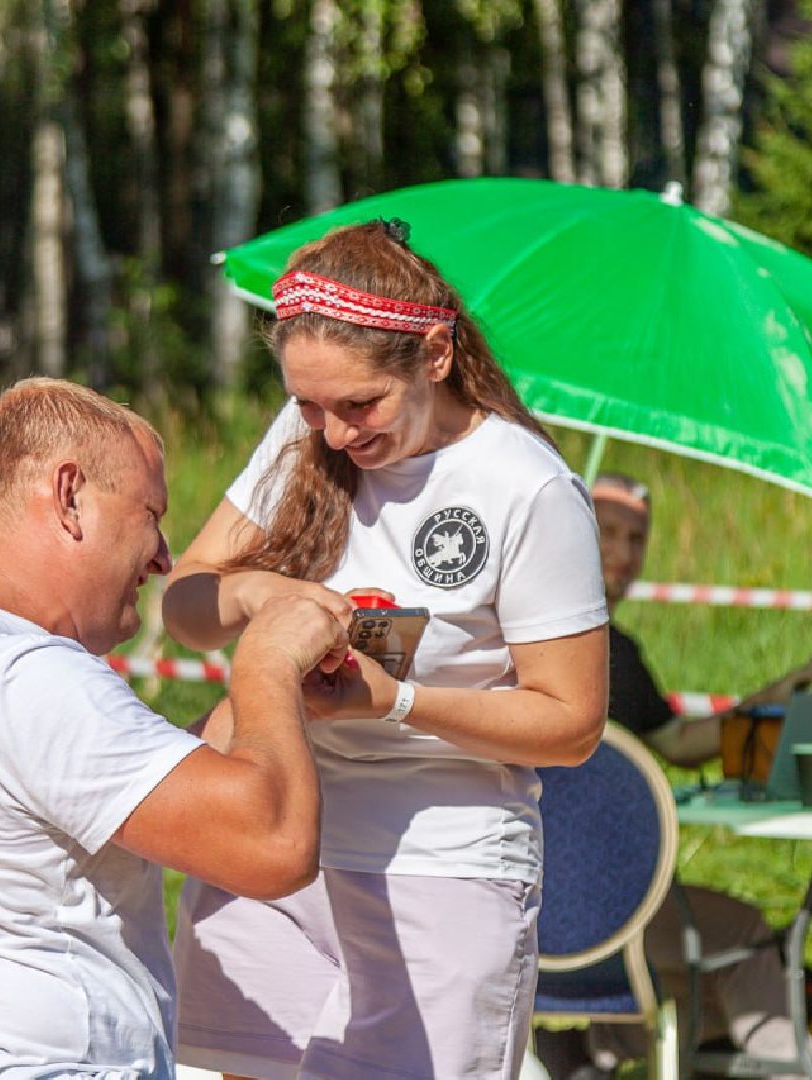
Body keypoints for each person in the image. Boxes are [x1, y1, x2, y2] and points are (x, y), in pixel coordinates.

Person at [0, 377, 351, 1079]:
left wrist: (272, 713)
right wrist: (266, 661)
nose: (162, 557)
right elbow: (273, 846)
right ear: (68, 497)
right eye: (151, 513)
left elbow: (118, 790)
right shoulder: (26, 674)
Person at [161, 220, 610, 1080]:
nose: (332, 435)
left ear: (434, 356)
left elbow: (571, 724)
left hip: (439, 868)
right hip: (272, 845)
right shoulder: (303, 442)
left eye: (359, 405)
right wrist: (260, 593)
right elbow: (187, 600)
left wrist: (394, 701)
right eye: (306, 405)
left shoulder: (529, 488)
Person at [557, 471, 812, 1080]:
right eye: (605, 533)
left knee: (703, 975)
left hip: (524, 912)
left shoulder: (601, 651)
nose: (623, 553)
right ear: (568, 534)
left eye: (637, 539)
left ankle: (586, 1051)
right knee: (746, 936)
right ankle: (792, 1069)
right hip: (603, 911)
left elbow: (680, 744)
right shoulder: (593, 646)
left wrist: (767, 699)